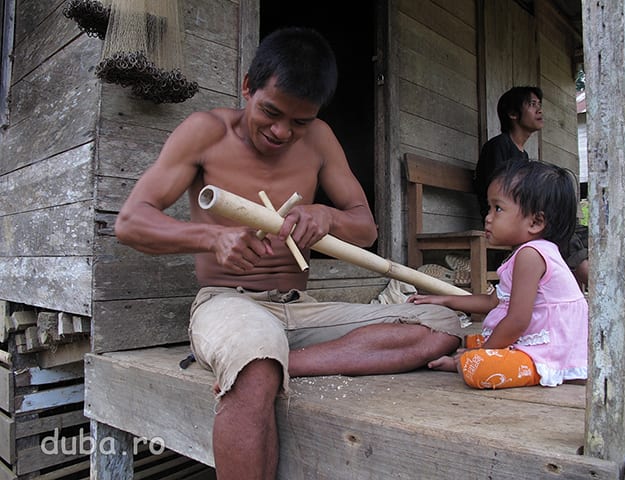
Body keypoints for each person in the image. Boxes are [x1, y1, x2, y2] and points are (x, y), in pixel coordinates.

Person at [115, 27, 468, 480]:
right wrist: (210, 237)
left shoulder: (320, 139)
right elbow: (131, 222)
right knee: (254, 360)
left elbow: (365, 228)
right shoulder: (205, 132)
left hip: (301, 310)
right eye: (270, 112)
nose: (282, 131)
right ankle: (261, 361)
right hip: (229, 302)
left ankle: (283, 362)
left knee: (440, 322)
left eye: (299, 122)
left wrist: (328, 217)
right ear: (247, 87)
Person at [409, 161, 588, 389]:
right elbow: (492, 301)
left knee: (477, 368)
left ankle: (516, 366)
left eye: (498, 208)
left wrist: (480, 355)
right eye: (489, 207)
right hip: (541, 341)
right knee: (472, 341)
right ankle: (478, 356)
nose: (488, 217)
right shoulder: (526, 253)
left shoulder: (531, 255)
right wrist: (442, 299)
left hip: (551, 351)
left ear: (535, 222)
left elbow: (517, 322)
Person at [473, 86, 589, 288]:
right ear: (513, 114)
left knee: (585, 232)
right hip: (506, 217)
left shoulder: (523, 156)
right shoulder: (499, 146)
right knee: (564, 232)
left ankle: (577, 293)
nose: (539, 110)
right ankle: (603, 292)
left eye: (540, 105)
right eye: (532, 104)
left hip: (525, 216)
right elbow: (499, 195)